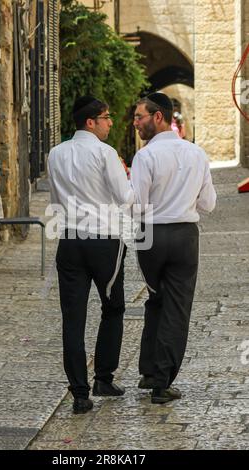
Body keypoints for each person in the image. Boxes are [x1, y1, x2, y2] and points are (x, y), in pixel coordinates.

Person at [47, 96, 134, 414]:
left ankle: (80, 394)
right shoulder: (105, 153)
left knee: (72, 317)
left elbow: (56, 199)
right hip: (104, 241)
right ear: (91, 122)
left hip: (69, 240)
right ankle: (104, 378)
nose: (111, 122)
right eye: (107, 117)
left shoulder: (55, 153)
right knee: (113, 307)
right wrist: (130, 178)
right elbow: (125, 198)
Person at [130, 92, 216, 404]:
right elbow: (208, 203)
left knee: (156, 298)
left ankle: (150, 371)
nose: (135, 123)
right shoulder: (196, 153)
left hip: (150, 235)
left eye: (140, 117)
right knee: (177, 307)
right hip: (184, 235)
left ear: (158, 117)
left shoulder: (145, 157)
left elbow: (136, 205)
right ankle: (160, 380)